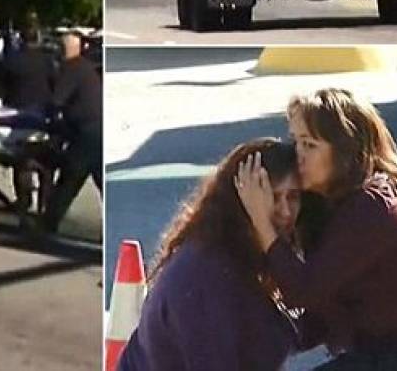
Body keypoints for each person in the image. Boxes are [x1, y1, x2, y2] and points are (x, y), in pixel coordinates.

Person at [236, 89, 397, 369]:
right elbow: (322, 311)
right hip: (393, 351)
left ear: (343, 151)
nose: (298, 155)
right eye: (296, 142)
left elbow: (305, 290)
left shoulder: (373, 204)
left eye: (309, 145)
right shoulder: (329, 204)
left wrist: (263, 223)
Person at [117, 139, 305, 371]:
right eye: (273, 198)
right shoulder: (207, 274)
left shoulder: (241, 256)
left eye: (293, 197)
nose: (286, 212)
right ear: (243, 201)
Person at [41, 32, 103, 235]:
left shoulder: (72, 68)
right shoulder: (85, 68)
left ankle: (48, 225)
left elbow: (57, 101)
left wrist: (45, 117)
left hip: (86, 133)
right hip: (97, 129)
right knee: (100, 179)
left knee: (69, 179)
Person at [2, 24, 55, 115]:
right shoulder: (47, 60)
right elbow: (54, 82)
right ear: (38, 39)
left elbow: (6, 81)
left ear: (21, 39)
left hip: (15, 106)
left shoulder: (13, 59)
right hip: (41, 107)